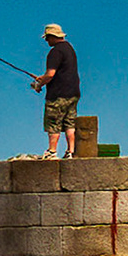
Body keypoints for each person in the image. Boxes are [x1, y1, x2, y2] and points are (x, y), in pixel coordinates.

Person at [31, 23, 80, 160]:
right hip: (73, 92)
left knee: (54, 123)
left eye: (47, 38)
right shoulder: (69, 49)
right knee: (70, 123)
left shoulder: (55, 52)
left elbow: (51, 74)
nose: (46, 41)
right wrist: (43, 78)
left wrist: (39, 83)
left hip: (58, 94)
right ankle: (71, 151)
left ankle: (52, 151)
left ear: (52, 37)